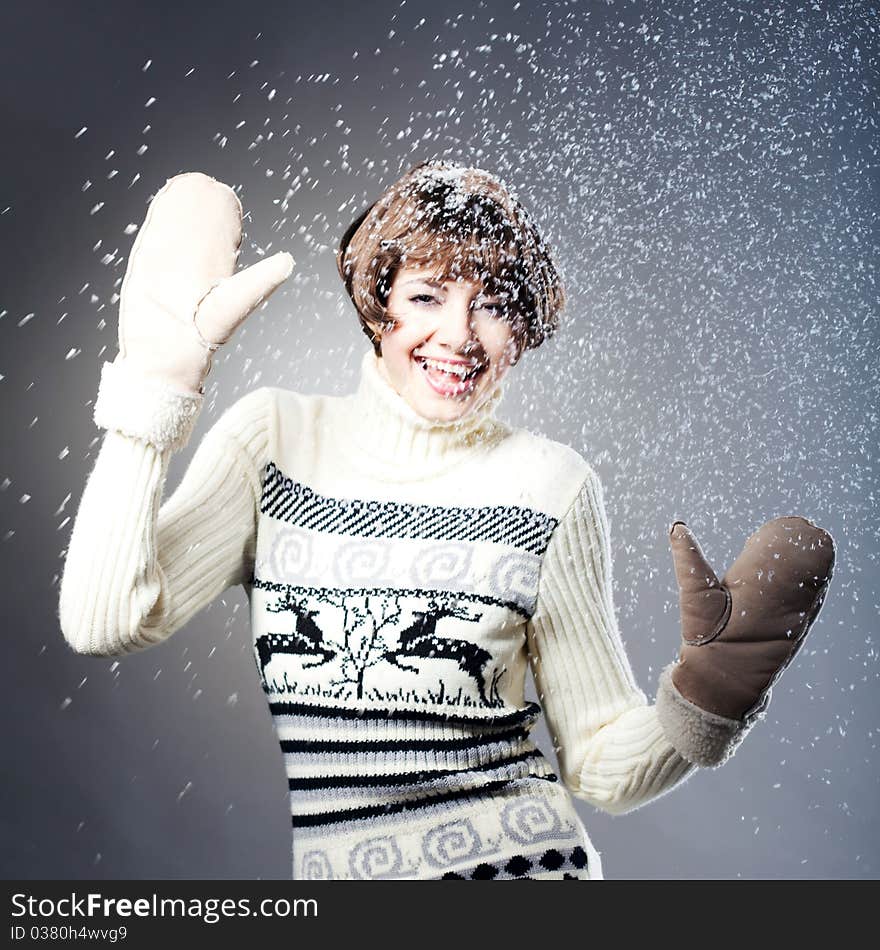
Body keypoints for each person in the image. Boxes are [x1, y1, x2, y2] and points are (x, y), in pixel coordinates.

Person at [58, 161, 836, 881]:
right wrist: (150, 397)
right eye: (427, 296)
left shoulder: (551, 487)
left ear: (522, 330)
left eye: (493, 304)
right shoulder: (276, 442)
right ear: (378, 305)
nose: (460, 336)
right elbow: (108, 621)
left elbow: (602, 766)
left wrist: (709, 694)